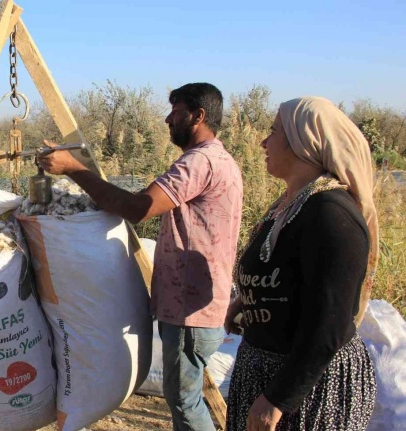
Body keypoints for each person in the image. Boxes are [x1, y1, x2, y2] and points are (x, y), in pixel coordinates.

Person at [38, 82, 243, 431]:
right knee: (186, 400)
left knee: (184, 402)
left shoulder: (199, 162)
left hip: (190, 311)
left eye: (175, 112)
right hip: (199, 306)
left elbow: (136, 208)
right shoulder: (221, 160)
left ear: (198, 115)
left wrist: (73, 169)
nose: (167, 120)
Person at [224, 96, 378, 431]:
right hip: (262, 371)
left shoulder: (330, 216)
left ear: (303, 142)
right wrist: (247, 302)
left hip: (305, 389)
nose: (264, 141)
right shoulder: (287, 205)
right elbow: (285, 275)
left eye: (274, 131)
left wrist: (278, 399)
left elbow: (329, 326)